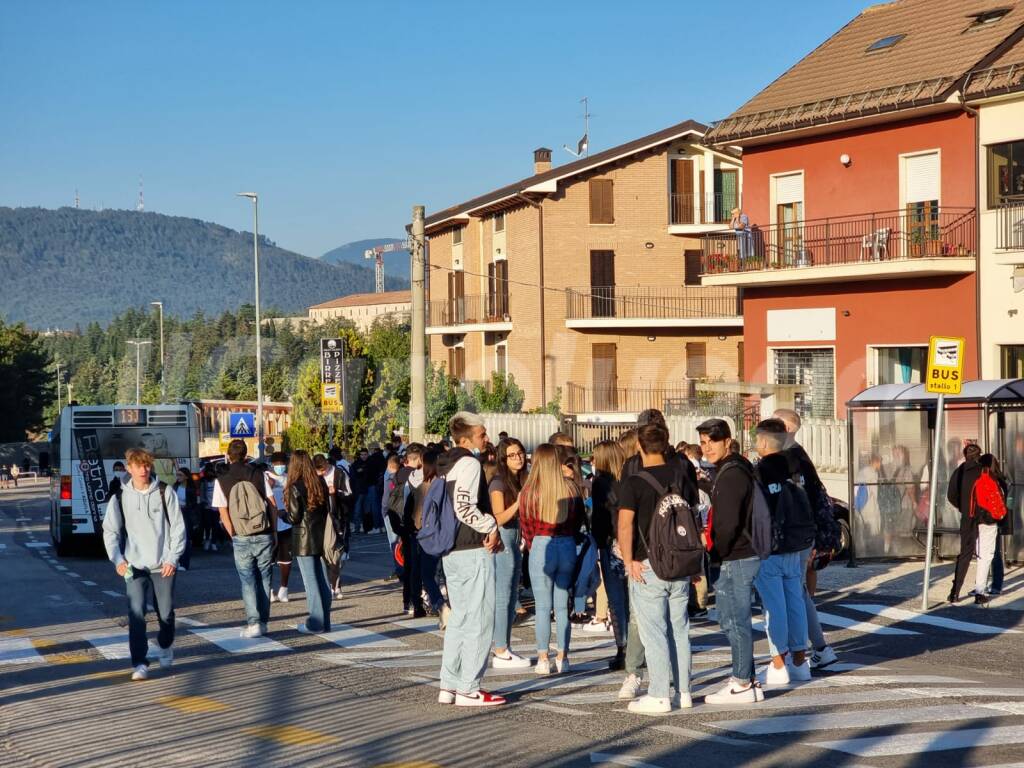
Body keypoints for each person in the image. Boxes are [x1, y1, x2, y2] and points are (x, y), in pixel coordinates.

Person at [617, 423, 698, 714]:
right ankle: (684, 691)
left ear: (639, 446)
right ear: (665, 444)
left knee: (654, 632)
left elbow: (625, 523)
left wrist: (628, 561)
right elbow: (692, 518)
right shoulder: (681, 476)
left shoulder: (634, 482)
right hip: (681, 562)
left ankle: (659, 693)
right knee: (680, 630)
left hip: (649, 563)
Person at [436, 412, 506, 707]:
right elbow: (464, 505)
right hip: (471, 548)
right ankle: (469, 687)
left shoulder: (445, 463)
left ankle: (449, 684)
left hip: (451, 549)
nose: (486, 439)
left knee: (460, 618)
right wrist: (490, 525)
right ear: (466, 439)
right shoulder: (469, 462)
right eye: (481, 435)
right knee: (479, 618)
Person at [101, 448, 185, 681]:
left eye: (147, 465)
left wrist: (172, 558)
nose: (143, 469)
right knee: (136, 613)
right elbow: (110, 531)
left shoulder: (164, 492)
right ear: (129, 468)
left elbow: (178, 528)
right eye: (138, 466)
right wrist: (117, 559)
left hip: (163, 564)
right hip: (133, 566)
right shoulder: (119, 496)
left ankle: (166, 644)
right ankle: (140, 662)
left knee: (166, 614)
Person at [698, 418, 764, 705]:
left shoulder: (732, 473)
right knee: (731, 617)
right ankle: (747, 679)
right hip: (740, 553)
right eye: (703, 442)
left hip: (736, 555)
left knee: (735, 620)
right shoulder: (733, 468)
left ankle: (741, 682)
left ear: (727, 440)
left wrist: (715, 550)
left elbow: (727, 523)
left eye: (713, 440)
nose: (707, 447)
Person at [771, 408, 838, 670]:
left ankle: (806, 650)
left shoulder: (789, 456)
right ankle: (814, 648)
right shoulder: (798, 454)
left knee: (793, 593)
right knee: (797, 592)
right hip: (803, 534)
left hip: (795, 535)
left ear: (786, 428)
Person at [752, 419, 812, 686]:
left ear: (764, 442)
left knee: (773, 607)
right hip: (797, 542)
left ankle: (778, 663)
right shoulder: (796, 466)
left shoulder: (760, 471)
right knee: (795, 600)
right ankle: (800, 661)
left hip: (770, 547)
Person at [519, 443, 583, 675]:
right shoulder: (570, 488)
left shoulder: (528, 492)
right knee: (563, 606)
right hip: (566, 544)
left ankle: (543, 658)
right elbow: (578, 522)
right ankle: (563, 657)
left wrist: (530, 543)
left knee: (543, 607)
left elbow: (526, 528)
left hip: (541, 544)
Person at [214, 439, 276, 638]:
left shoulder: (222, 478)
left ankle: (254, 623)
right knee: (265, 578)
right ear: (246, 454)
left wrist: (232, 532)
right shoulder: (258, 473)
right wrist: (273, 531)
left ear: (228, 455)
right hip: (263, 532)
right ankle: (264, 623)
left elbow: (222, 509)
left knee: (247, 580)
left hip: (240, 535)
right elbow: (272, 503)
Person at [488, 438, 530, 669]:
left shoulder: (518, 480)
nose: (518, 458)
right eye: (512, 455)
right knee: (503, 596)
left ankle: (505, 647)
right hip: (503, 541)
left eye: (520, 453)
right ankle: (500, 649)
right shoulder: (498, 482)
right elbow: (498, 518)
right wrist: (519, 503)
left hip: (515, 540)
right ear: (503, 459)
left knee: (511, 594)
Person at [591, 440, 629, 670]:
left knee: (616, 600)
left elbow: (599, 518)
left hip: (609, 543)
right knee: (633, 598)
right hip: (628, 542)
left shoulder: (600, 482)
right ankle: (637, 646)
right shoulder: (627, 478)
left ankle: (622, 647)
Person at [285, 450, 333, 634]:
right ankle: (324, 621)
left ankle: (315, 623)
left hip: (303, 538)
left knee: (310, 582)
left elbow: (294, 517)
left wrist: (284, 514)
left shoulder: (296, 486)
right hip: (320, 536)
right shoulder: (319, 482)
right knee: (322, 580)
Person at [947, 444, 983, 604]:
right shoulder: (983, 471)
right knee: (986, 554)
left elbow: (951, 495)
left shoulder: (959, 471)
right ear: (979, 455)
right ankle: (981, 590)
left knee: (965, 554)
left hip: (967, 517)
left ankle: (955, 592)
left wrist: (962, 507)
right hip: (984, 518)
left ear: (965, 455)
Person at [971, 453, 1007, 606]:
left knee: (981, 556)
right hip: (990, 522)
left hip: (979, 520)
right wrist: (1001, 514)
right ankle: (980, 590)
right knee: (988, 555)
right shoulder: (991, 480)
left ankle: (980, 587)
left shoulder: (978, 479)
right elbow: (997, 503)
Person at [267, 452, 292, 603]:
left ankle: (284, 589)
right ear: (272, 464)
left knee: (286, 558)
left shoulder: (289, 478)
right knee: (268, 559)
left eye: (282, 464)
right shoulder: (265, 477)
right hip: (270, 524)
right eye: (276, 464)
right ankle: (269, 590)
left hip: (287, 523)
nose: (279, 467)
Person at [172, 468, 199, 571]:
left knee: (186, 539)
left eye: (180, 475)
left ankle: (184, 563)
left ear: (186, 477)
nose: (178, 477)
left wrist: (195, 521)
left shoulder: (191, 489)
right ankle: (176, 561)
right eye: (177, 475)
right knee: (176, 538)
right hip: (176, 513)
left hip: (186, 514)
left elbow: (194, 506)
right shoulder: (175, 486)